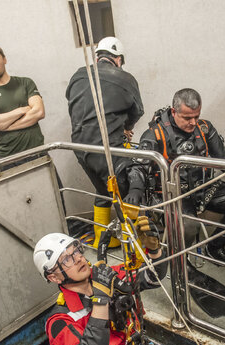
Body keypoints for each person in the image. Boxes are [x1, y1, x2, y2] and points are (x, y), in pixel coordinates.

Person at [33, 216, 225, 345]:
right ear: (53, 276)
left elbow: (151, 278)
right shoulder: (59, 322)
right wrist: (101, 300)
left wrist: (154, 251)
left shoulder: (107, 275)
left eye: (76, 251)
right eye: (66, 259)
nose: (78, 258)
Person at [125, 88, 225, 266]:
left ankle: (214, 248)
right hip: (172, 194)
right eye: (187, 118)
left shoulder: (205, 128)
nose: (193, 122)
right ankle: (180, 264)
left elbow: (223, 158)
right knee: (188, 224)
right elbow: (138, 166)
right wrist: (136, 188)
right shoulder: (155, 134)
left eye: (196, 116)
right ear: (173, 111)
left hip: (204, 187)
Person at [66, 36, 144, 248]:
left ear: (98, 55)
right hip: (106, 146)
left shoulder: (78, 75)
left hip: (80, 147)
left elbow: (74, 103)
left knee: (103, 190)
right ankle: (133, 247)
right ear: (118, 59)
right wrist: (127, 128)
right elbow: (138, 110)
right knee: (128, 190)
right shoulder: (125, 78)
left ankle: (103, 239)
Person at [0, 44, 45, 162]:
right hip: (8, 158)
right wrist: (21, 110)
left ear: (4, 59)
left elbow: (38, 112)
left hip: (36, 152)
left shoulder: (25, 83)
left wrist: (3, 125)